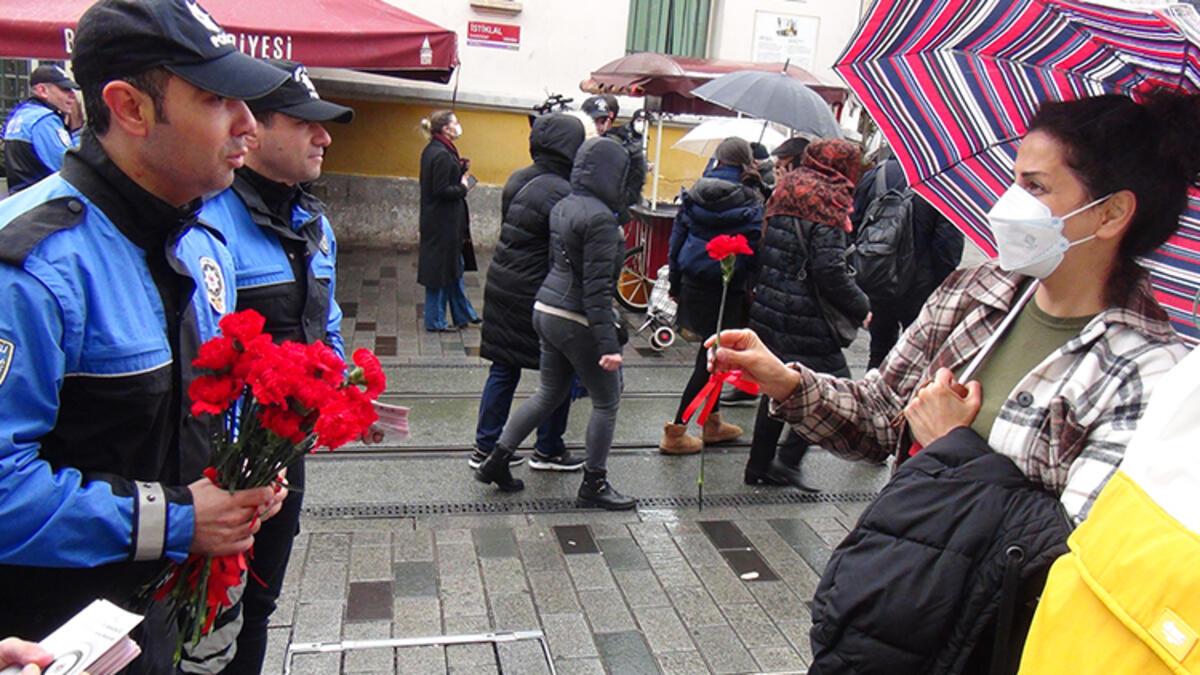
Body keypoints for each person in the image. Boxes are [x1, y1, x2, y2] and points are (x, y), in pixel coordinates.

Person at [706, 92, 1198, 669]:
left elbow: (1074, 552)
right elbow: (880, 417)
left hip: (986, 644)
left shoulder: (1150, 373)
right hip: (890, 607)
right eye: (1014, 180)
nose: (1010, 203)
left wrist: (952, 451)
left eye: (1036, 188)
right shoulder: (975, 294)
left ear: (1112, 213)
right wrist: (784, 380)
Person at [0, 0, 290, 670]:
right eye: (218, 98)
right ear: (129, 107)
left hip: (152, 619)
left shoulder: (202, 245)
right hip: (45, 638)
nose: (248, 123)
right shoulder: (31, 267)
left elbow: (202, 405)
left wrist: (244, 472)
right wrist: (182, 517)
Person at [196, 59, 354, 675]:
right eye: (307, 122)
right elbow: (202, 360)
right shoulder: (209, 222)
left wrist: (339, 391)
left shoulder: (312, 222)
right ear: (252, 130)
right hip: (219, 470)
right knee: (208, 616)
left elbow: (328, 318)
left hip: (282, 459)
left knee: (259, 604)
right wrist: (234, 458)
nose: (325, 137)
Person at [475, 137, 636, 510]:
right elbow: (597, 289)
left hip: (546, 306)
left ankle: (496, 460)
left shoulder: (565, 205)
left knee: (549, 391)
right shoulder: (600, 220)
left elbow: (557, 262)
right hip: (577, 316)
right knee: (607, 401)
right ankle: (594, 484)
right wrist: (609, 345)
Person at [743, 138, 869, 489]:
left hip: (770, 307)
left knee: (776, 385)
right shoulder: (830, 199)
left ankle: (758, 465)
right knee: (835, 389)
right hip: (807, 317)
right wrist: (861, 306)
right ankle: (787, 460)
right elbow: (829, 270)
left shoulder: (787, 186)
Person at [472, 113, 587, 472]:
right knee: (560, 370)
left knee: (503, 368)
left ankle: (485, 446)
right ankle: (549, 448)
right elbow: (565, 251)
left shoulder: (519, 177)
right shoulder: (563, 191)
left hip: (504, 282)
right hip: (538, 289)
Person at [659, 137, 764, 455]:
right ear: (745, 161)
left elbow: (676, 243)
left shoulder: (694, 192)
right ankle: (676, 431)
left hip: (693, 281)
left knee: (712, 354)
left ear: (718, 159)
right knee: (710, 360)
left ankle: (713, 422)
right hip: (728, 288)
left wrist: (675, 283)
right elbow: (756, 246)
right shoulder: (752, 197)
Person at [852, 153, 964, 369]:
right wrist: (940, 286)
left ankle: (871, 397)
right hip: (920, 287)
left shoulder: (876, 175)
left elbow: (854, 226)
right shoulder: (940, 184)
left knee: (879, 349)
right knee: (916, 356)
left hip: (878, 277)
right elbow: (948, 246)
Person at [418, 109, 480, 332]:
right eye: (455, 122)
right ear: (445, 128)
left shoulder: (438, 150)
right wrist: (463, 187)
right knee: (441, 271)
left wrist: (460, 169)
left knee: (454, 267)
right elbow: (442, 189)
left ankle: (463, 314)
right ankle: (435, 321)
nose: (458, 126)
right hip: (442, 222)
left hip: (442, 221)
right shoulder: (441, 154)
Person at [2, 64, 80, 194]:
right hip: (44, 204)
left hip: (21, 202)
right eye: (65, 89)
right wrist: (77, 132)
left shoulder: (21, 115)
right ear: (42, 90)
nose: (72, 95)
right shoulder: (44, 120)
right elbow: (70, 169)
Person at [581, 94, 647, 222]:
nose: (600, 127)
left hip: (605, 215)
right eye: (595, 121)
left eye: (603, 121)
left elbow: (630, 184)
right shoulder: (573, 142)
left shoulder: (615, 147)